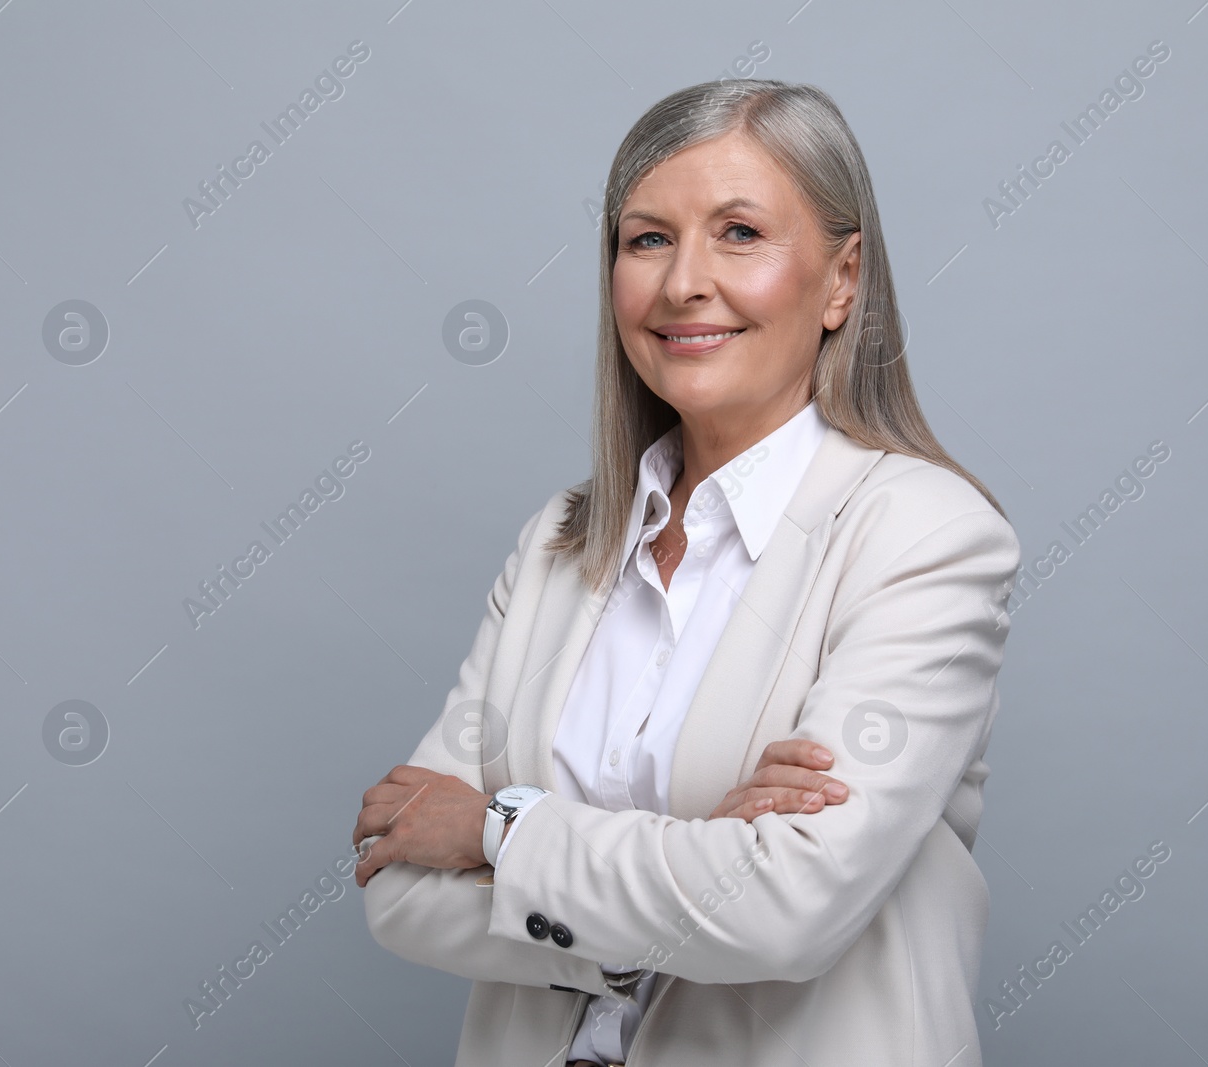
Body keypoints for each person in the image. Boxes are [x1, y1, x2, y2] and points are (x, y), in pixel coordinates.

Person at [352, 78, 1020, 1067]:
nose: (681, 284)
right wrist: (697, 853)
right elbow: (397, 885)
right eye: (646, 238)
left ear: (842, 279)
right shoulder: (559, 541)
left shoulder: (923, 535)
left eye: (739, 233)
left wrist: (500, 828)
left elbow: (788, 908)